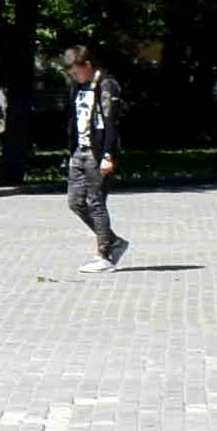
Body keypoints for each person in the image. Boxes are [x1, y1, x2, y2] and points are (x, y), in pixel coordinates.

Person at [63, 44, 130, 267]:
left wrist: (108, 155)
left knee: (96, 202)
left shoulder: (106, 85)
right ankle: (114, 241)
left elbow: (111, 123)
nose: (74, 76)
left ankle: (105, 254)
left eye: (76, 71)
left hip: (98, 152)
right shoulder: (77, 86)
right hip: (79, 151)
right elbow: (74, 119)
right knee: (75, 202)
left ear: (87, 65)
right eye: (71, 73)